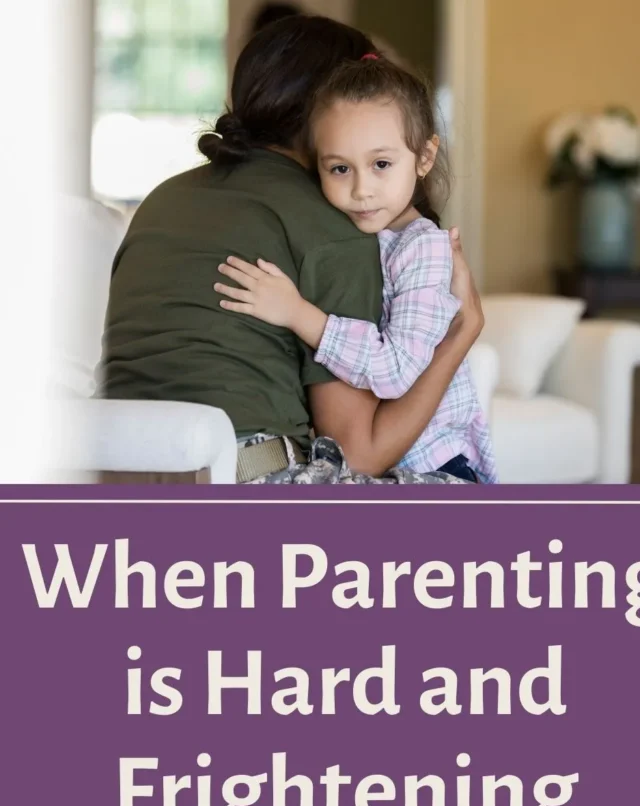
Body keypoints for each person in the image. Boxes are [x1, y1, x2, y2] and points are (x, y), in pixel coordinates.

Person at [100, 15, 484, 484]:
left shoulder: (163, 199)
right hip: (246, 487)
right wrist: (462, 332)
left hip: (116, 481)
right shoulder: (332, 227)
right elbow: (360, 455)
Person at [214, 55, 496, 483]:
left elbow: (396, 372)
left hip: (438, 468)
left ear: (424, 157)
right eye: (340, 168)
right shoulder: (356, 237)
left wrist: (297, 314)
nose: (361, 190)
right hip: (392, 465)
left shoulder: (423, 250)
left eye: (381, 164)